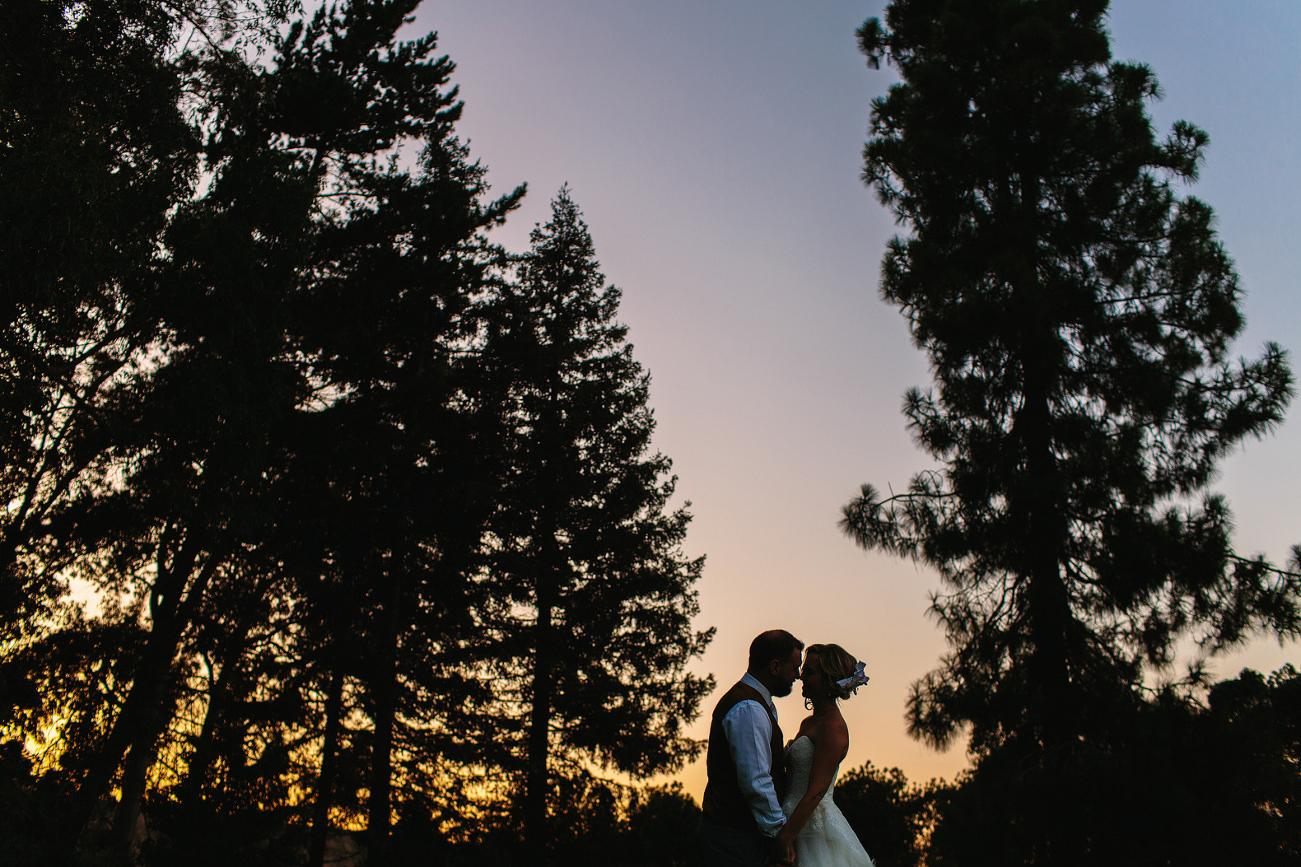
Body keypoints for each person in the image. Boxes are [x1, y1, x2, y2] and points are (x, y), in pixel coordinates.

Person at [697, 630, 804, 867]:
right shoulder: (749, 708)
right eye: (794, 667)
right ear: (775, 667)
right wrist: (779, 836)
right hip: (732, 838)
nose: (798, 676)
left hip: (739, 835)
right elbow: (756, 782)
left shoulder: (758, 703)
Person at [776, 644, 874, 867]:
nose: (801, 677)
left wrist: (785, 837)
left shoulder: (833, 727)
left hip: (811, 828)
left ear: (828, 680)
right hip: (788, 815)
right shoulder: (809, 723)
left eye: (809, 673)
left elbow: (816, 791)